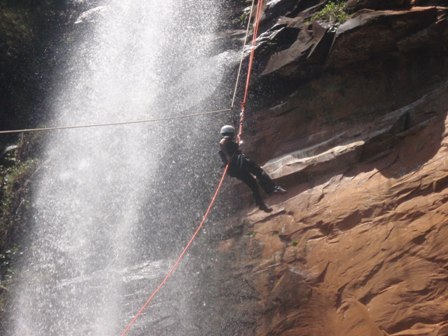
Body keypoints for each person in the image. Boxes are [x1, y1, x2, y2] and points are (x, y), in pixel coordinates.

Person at [218, 125, 286, 212]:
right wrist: (228, 156)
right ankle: (273, 188)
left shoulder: (228, 144)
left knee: (253, 184)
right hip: (240, 162)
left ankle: (260, 204)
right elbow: (222, 142)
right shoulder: (226, 139)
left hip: (234, 169)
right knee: (259, 172)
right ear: (231, 133)